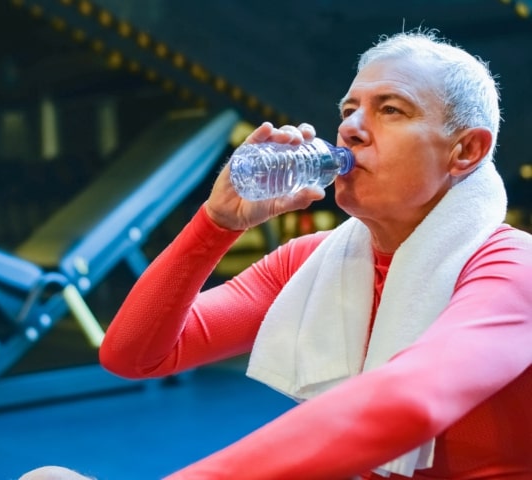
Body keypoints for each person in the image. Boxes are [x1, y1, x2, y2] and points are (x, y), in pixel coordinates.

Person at [99, 29, 532, 479]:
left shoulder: (513, 268)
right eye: (349, 111)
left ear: (466, 150)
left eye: (390, 110)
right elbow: (132, 355)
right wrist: (215, 223)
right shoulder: (314, 261)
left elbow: (409, 402)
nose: (349, 129)